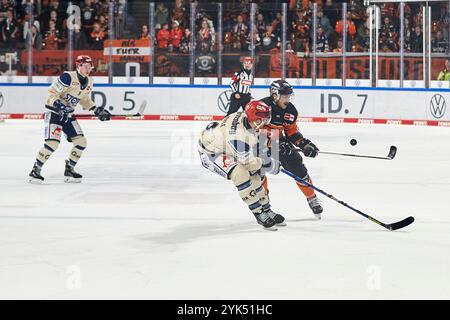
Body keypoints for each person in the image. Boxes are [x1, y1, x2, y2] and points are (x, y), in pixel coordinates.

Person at [198, 101, 284, 231]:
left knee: (256, 174)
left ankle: (266, 209)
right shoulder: (237, 136)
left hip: (224, 143)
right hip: (212, 153)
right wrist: (269, 165)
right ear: (255, 117)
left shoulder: (244, 116)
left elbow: (250, 145)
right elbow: (249, 162)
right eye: (264, 116)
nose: (266, 119)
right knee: (241, 174)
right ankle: (258, 212)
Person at [28, 55, 112, 184]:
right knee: (52, 144)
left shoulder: (89, 81)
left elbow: (84, 99)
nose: (88, 69)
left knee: (81, 142)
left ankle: (70, 169)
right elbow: (51, 93)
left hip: (68, 115)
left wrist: (96, 109)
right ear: (78, 66)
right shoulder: (67, 77)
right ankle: (36, 170)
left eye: (90, 66)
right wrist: (59, 105)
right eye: (85, 66)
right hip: (54, 113)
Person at [259, 80, 323, 219]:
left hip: (278, 139)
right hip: (259, 140)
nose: (288, 99)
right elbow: (252, 130)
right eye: (285, 96)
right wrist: (272, 142)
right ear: (275, 95)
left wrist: (304, 144)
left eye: (289, 96)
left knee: (296, 164)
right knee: (258, 170)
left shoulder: (291, 111)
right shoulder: (262, 107)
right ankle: (263, 205)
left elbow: (292, 132)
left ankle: (311, 197)